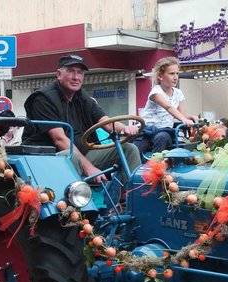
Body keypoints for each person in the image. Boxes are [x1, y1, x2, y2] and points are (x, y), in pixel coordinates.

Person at [22, 54, 141, 184]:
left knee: (129, 149)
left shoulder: (82, 97)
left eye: (80, 73)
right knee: (71, 155)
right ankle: (75, 196)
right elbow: (59, 139)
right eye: (70, 71)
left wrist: (126, 129)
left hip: (83, 155)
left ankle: (132, 194)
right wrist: (89, 168)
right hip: (48, 159)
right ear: (59, 74)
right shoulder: (43, 98)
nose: (76, 77)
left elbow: (106, 123)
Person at [133, 56, 199, 156]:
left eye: (177, 73)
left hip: (164, 130)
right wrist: (184, 120)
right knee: (135, 149)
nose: (175, 77)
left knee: (162, 137)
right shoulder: (156, 92)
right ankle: (131, 163)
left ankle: (156, 162)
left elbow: (183, 115)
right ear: (160, 76)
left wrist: (191, 118)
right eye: (172, 73)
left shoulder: (178, 93)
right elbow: (169, 107)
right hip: (147, 130)